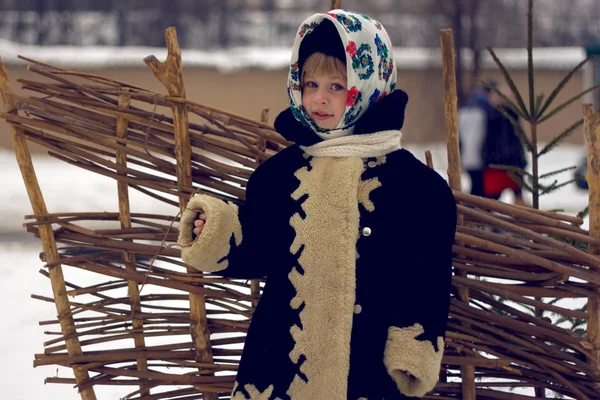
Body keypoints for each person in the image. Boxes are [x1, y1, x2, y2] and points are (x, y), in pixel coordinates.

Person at [177, 10, 457, 400]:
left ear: (369, 84)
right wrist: (219, 230)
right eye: (310, 83)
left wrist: (413, 348)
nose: (319, 98)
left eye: (337, 86)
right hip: (280, 367)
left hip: (368, 371)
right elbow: (258, 245)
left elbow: (427, 274)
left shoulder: (415, 188)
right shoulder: (280, 176)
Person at [481, 85, 528, 205]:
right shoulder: (491, 115)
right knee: (492, 198)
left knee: (510, 196)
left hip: (504, 161)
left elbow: (511, 138)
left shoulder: (506, 115)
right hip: (501, 162)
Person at [458, 83, 494, 197]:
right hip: (480, 158)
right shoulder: (485, 112)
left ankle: (471, 211)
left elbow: (460, 137)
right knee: (479, 189)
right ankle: (472, 211)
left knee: (476, 186)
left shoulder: (463, 112)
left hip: (467, 157)